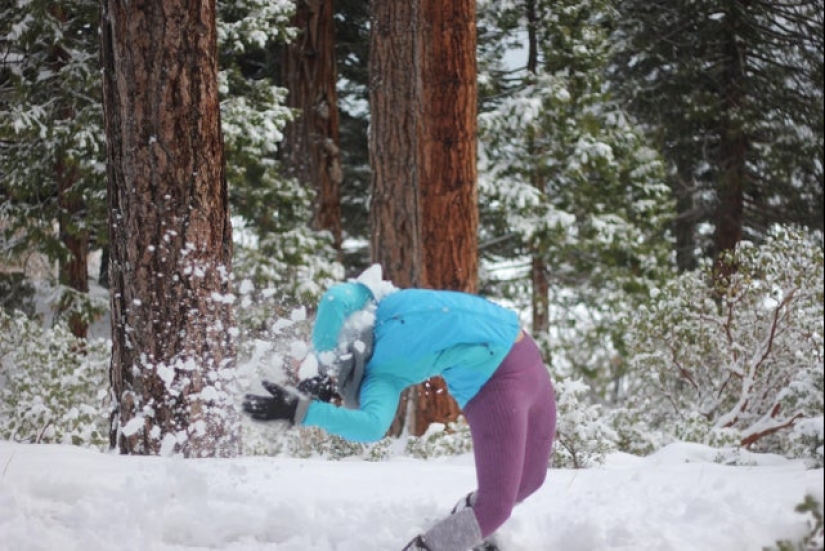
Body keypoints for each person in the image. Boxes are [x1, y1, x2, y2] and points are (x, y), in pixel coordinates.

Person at [242, 265, 557, 551]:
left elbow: (336, 298)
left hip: (527, 356)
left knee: (531, 482)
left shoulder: (376, 302)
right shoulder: (378, 378)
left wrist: (323, 362)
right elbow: (371, 427)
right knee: (496, 508)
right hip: (493, 386)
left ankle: (467, 526)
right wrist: (303, 410)